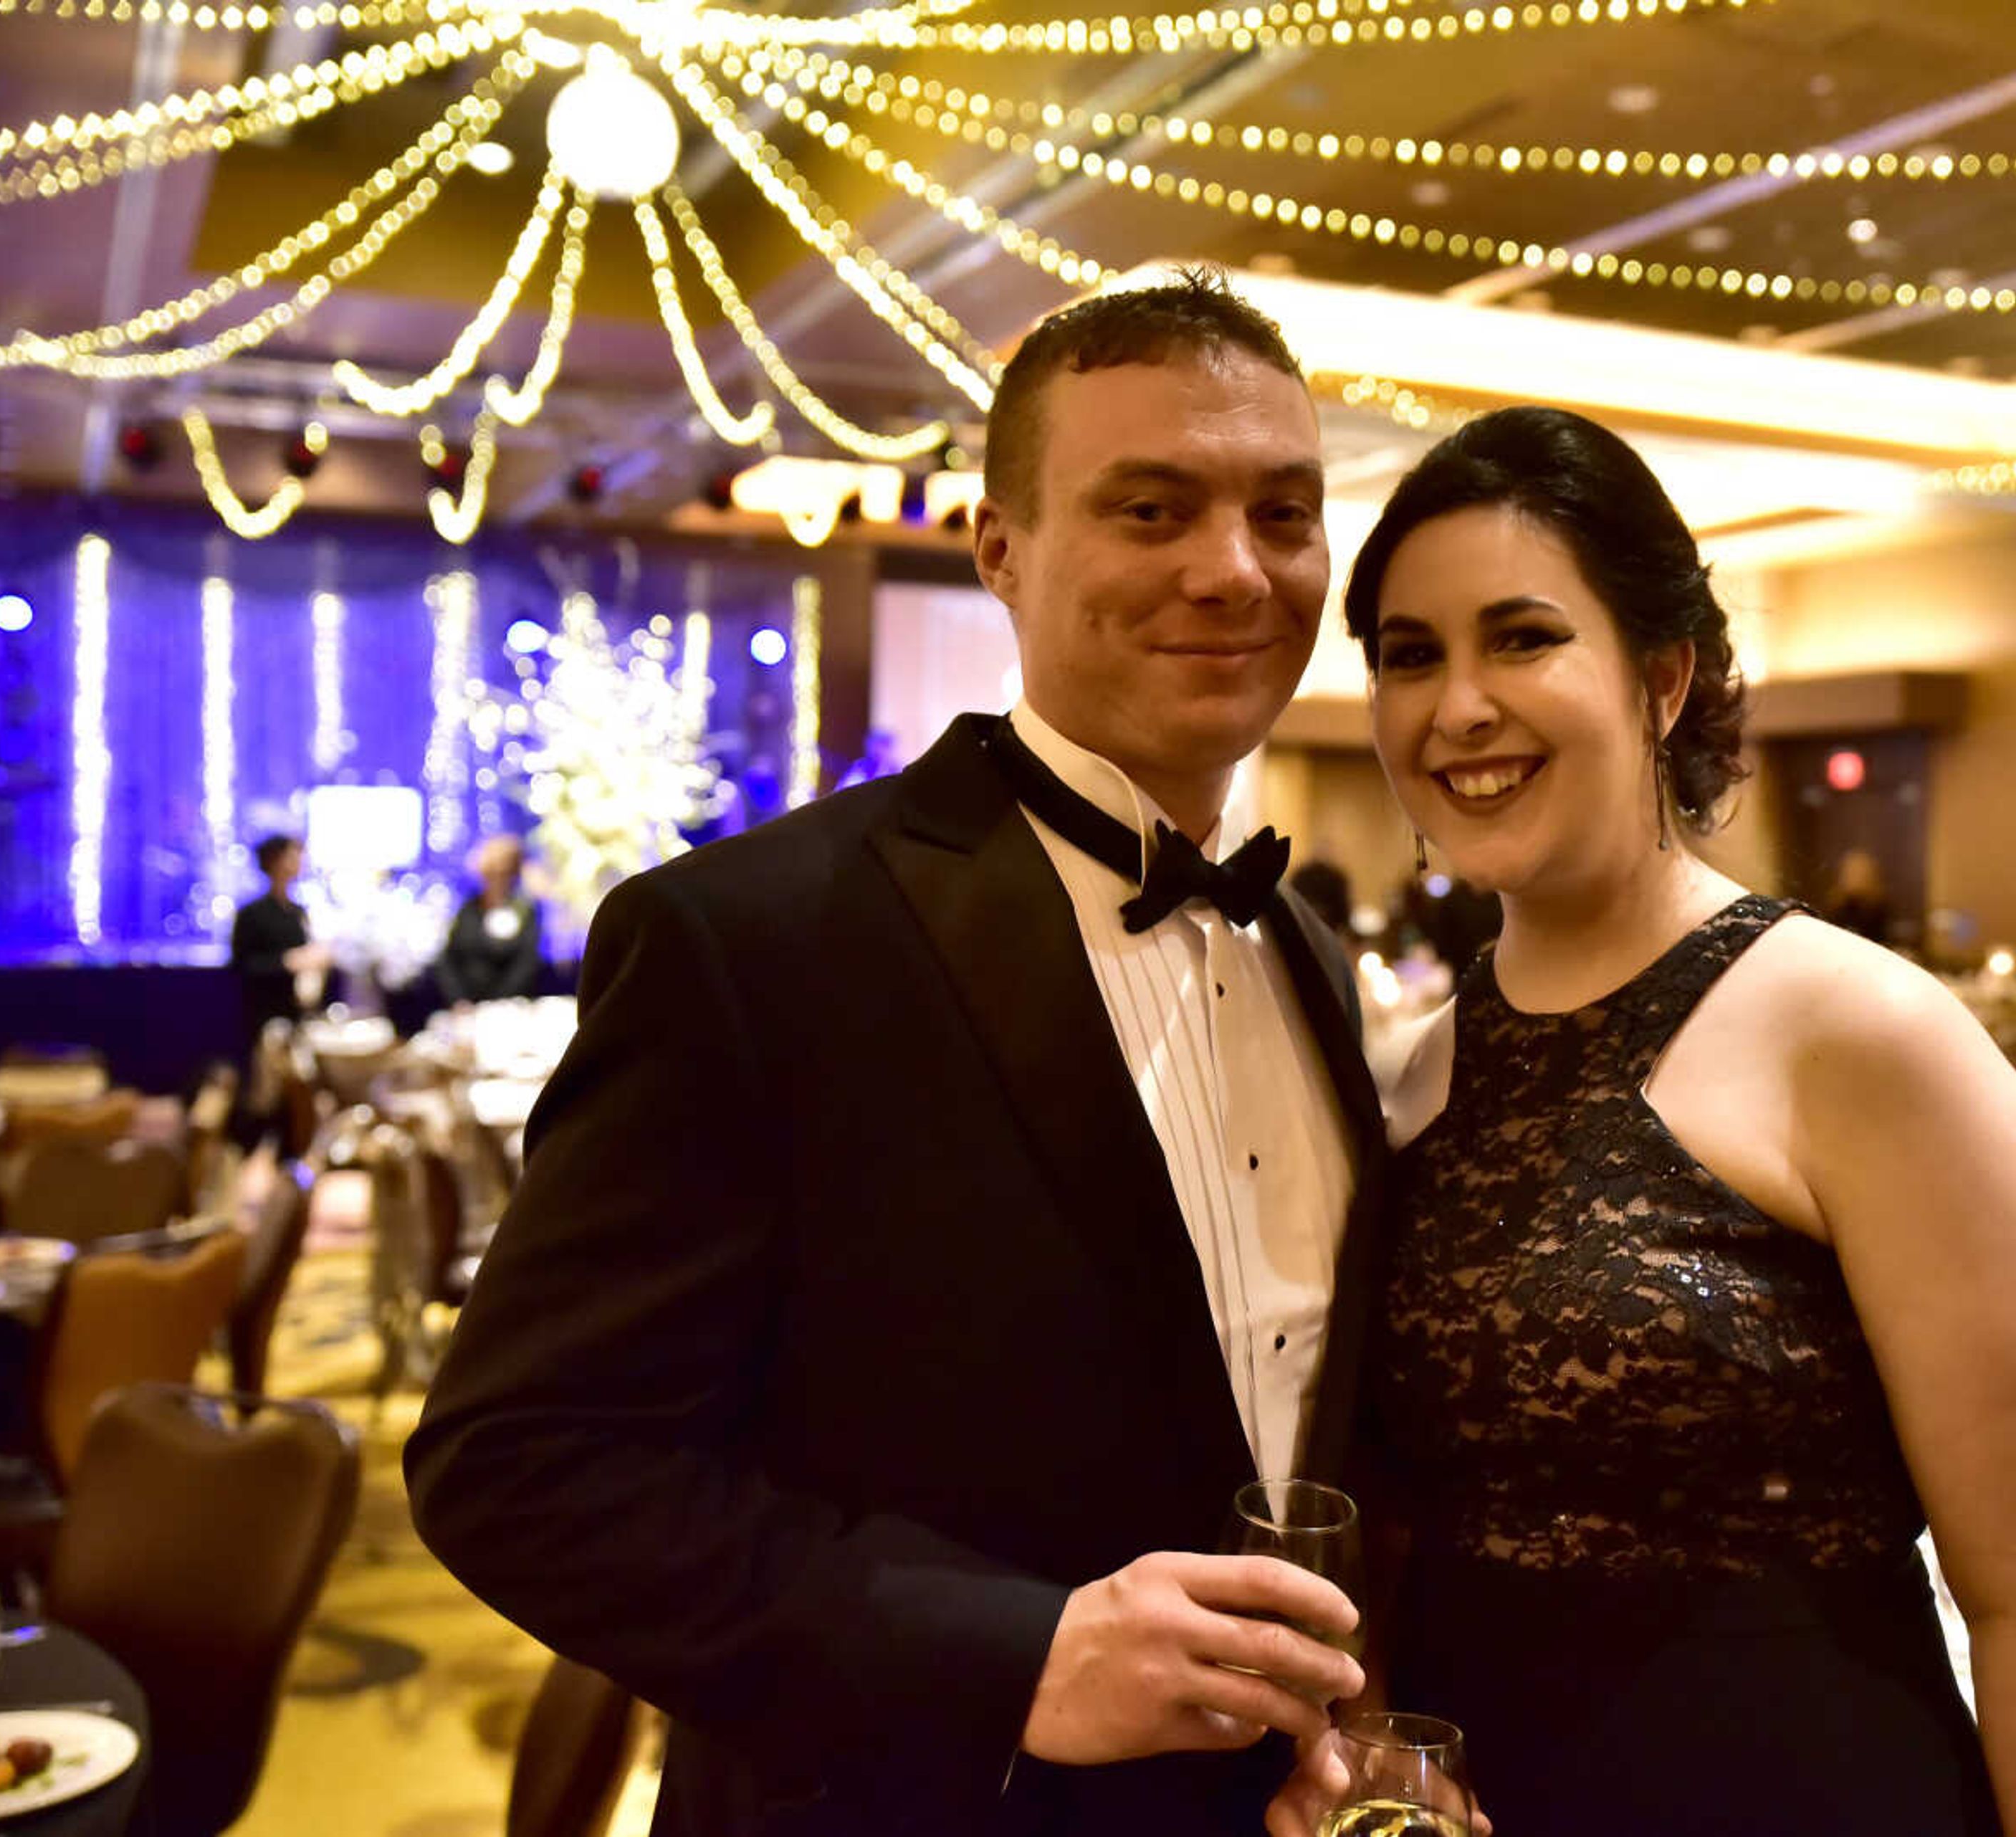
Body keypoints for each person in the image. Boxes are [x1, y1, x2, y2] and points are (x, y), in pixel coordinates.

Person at [406, 273, 1383, 1836]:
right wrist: (1013, 1656)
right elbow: (519, 1465)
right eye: (1151, 508)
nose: (1234, 569)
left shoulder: (1316, 965)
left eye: (1285, 513)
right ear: (1000, 547)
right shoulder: (753, 936)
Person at [1276, 406, 2016, 1837]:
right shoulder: (1406, 1076)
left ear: (1664, 677)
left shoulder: (1865, 1036)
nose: (1459, 706)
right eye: (1411, 655)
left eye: (1524, 637)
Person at [229, 834, 329, 1052]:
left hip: (298, 1013)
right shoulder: (251, 914)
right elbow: (241, 965)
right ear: (275, 861)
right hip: (264, 1015)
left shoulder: (298, 912)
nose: (299, 862)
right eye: (292, 856)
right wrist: (287, 962)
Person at [433, 834, 545, 1006]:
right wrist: (459, 1000)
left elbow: (526, 964)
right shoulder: (468, 909)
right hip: (467, 1010)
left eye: (504, 873)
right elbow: (448, 959)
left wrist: (499, 1002)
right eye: (492, 874)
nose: (498, 880)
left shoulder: (524, 911)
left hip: (509, 1008)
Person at [1819, 847, 1895, 947]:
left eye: (1860, 872)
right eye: (1852, 872)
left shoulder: (1879, 905)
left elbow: (1882, 938)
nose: (1856, 876)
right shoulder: (1836, 904)